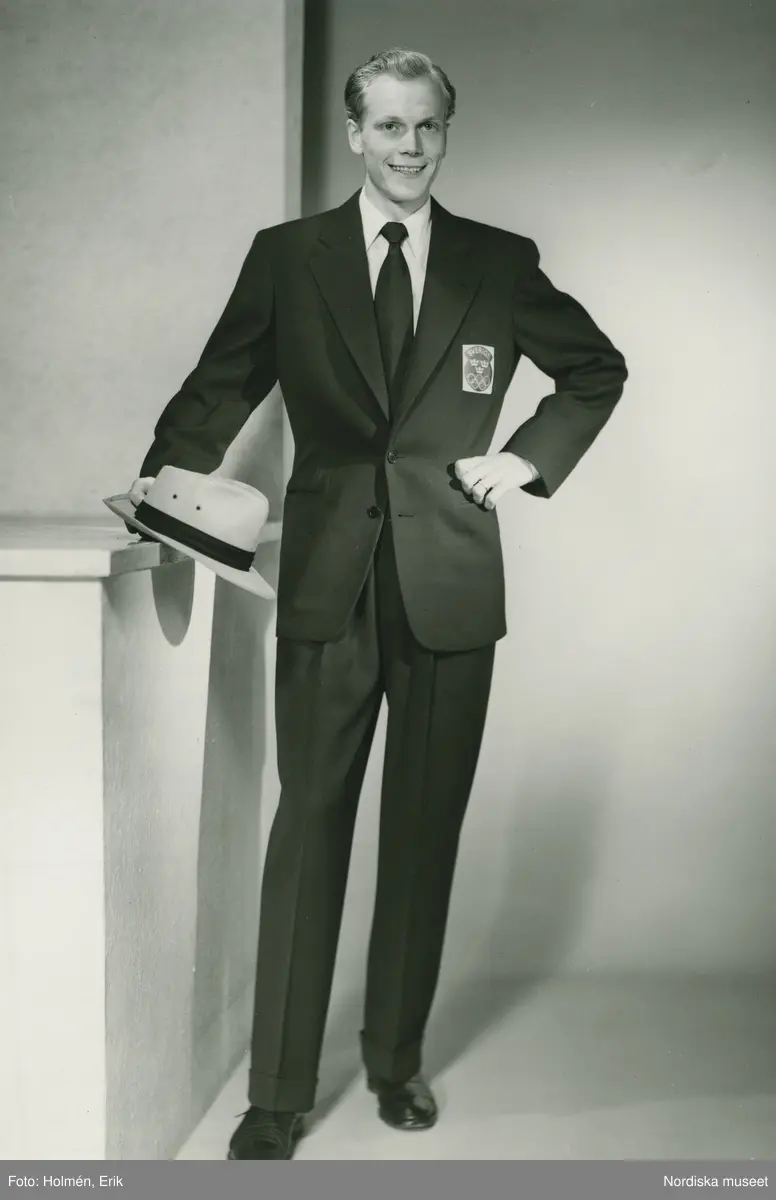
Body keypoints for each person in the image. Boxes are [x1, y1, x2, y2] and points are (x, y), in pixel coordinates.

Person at [127, 48, 628, 1159]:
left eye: (427, 126)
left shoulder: (499, 262)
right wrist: (160, 487)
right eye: (390, 126)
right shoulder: (287, 256)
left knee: (420, 834)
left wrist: (524, 459)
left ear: (446, 131)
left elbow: (595, 369)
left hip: (451, 585)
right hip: (326, 583)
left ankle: (396, 1063)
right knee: (307, 828)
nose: (410, 147)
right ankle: (277, 1095)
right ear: (355, 135)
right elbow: (221, 385)